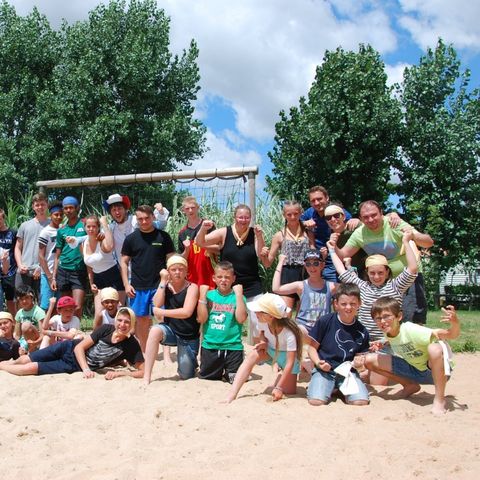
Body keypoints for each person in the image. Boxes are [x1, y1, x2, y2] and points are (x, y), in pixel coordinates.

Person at [336, 200, 434, 324]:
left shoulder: (395, 224)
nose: (370, 219)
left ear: (381, 213)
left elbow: (428, 242)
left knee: (412, 319)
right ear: (360, 218)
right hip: (382, 282)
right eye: (366, 217)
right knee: (385, 319)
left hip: (408, 277)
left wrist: (412, 235)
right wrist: (333, 245)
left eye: (374, 215)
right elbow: (343, 254)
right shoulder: (360, 233)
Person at [363, 297, 460, 415]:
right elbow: (397, 338)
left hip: (435, 371)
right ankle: (409, 385)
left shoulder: (412, 329)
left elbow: (450, 335)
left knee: (434, 349)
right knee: (369, 360)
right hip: (414, 369)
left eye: (387, 316)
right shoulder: (389, 332)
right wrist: (383, 342)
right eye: (378, 318)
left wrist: (455, 323)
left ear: (399, 316)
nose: (382, 321)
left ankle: (439, 400)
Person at [0, 307, 144, 380]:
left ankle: (3, 367)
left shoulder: (131, 345)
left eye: (127, 322)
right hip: (68, 347)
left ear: (132, 323)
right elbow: (79, 347)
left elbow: (142, 371)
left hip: (73, 365)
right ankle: (5, 365)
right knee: (26, 359)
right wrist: (86, 369)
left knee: (31, 368)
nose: (122, 325)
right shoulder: (107, 329)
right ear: (116, 320)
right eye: (120, 320)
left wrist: (120, 374)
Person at [328, 229, 418, 342]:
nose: (376, 277)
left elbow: (412, 268)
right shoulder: (361, 286)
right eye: (372, 273)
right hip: (365, 340)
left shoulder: (396, 286)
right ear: (367, 273)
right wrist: (332, 250)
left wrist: (406, 242)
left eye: (380, 273)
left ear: (387, 272)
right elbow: (341, 270)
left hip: (389, 341)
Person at [196, 204, 267, 343]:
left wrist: (259, 236)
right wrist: (203, 229)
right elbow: (199, 242)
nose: (243, 220)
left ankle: (258, 350)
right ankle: (220, 345)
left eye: (246, 217)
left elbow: (260, 254)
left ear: (250, 218)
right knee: (223, 319)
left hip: (252, 284)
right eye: (240, 217)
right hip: (227, 285)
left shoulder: (254, 233)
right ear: (234, 217)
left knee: (259, 322)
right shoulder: (224, 232)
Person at [224, 293, 303, 403]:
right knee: (252, 355)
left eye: (259, 311)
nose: (255, 313)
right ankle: (232, 394)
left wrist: (279, 387)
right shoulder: (263, 322)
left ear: (270, 316)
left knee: (289, 391)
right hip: (271, 351)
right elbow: (262, 333)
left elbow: (290, 362)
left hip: (287, 358)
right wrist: (263, 342)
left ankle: (281, 374)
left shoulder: (289, 333)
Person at [120, 205, 175, 352]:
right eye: (140, 219)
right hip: (138, 286)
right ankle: (144, 353)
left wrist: (171, 281)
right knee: (141, 320)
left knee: (163, 318)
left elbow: (171, 260)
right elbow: (124, 262)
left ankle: (166, 356)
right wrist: (126, 284)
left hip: (160, 285)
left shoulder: (163, 237)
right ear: (136, 220)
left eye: (147, 218)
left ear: (153, 217)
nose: (144, 221)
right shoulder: (131, 239)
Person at [307, 283, 370, 406]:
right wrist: (318, 363)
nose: (348, 307)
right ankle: (326, 386)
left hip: (348, 373)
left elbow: (360, 358)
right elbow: (311, 348)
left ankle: (339, 389)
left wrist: (359, 364)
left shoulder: (362, 331)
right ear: (336, 304)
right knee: (316, 401)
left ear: (359, 304)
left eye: (353, 303)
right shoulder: (325, 321)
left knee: (360, 401)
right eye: (344, 304)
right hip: (325, 371)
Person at [143, 255, 199, 383]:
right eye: (174, 269)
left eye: (181, 269)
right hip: (171, 330)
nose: (177, 272)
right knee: (154, 331)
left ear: (186, 271)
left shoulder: (192, 287)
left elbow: (186, 312)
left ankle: (192, 362)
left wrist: (163, 312)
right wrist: (162, 282)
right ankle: (147, 375)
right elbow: (156, 303)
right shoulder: (166, 286)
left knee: (185, 375)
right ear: (168, 271)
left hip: (188, 335)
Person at [197, 261, 247, 383]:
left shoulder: (239, 297)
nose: (223, 280)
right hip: (211, 346)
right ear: (214, 278)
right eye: (220, 277)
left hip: (233, 347)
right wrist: (202, 297)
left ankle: (231, 371)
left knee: (233, 379)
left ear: (233, 279)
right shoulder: (209, 296)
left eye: (227, 277)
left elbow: (241, 319)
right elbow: (202, 319)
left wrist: (239, 295)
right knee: (209, 378)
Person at [262, 200, 312, 309]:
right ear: (284, 215)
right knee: (285, 312)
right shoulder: (279, 235)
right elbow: (268, 263)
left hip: (305, 273)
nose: (293, 217)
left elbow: (314, 254)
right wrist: (263, 255)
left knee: (303, 313)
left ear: (301, 213)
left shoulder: (308, 233)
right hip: (287, 274)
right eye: (289, 214)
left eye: (296, 214)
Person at [273, 249, 334, 335]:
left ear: (322, 265)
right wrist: (280, 262)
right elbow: (276, 288)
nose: (312, 267)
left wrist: (348, 265)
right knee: (300, 330)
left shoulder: (331, 286)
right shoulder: (300, 286)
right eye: (308, 264)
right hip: (304, 329)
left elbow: (350, 287)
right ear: (305, 266)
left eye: (316, 263)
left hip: (323, 329)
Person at [301, 186, 355, 281]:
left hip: (341, 258)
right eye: (313, 201)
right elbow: (294, 223)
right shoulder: (310, 213)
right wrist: (305, 223)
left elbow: (351, 221)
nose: (316, 203)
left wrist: (355, 220)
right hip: (322, 261)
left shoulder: (335, 210)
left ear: (327, 198)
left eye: (319, 199)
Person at [103, 193, 169, 266]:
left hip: (143, 268)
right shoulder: (111, 228)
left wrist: (161, 212)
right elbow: (107, 247)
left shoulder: (136, 220)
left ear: (126, 209)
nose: (117, 212)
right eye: (114, 210)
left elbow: (160, 225)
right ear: (110, 213)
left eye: (119, 208)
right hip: (124, 270)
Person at [81, 215, 125, 320]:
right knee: (99, 314)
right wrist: (91, 283)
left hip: (113, 276)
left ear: (98, 227)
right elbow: (89, 265)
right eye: (88, 226)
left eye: (94, 226)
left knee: (119, 312)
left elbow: (110, 246)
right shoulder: (83, 243)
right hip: (98, 279)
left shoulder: (103, 239)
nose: (91, 229)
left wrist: (104, 224)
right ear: (85, 227)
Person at [51, 196, 87, 318]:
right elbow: (57, 255)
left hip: (79, 270)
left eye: (71, 208)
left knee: (77, 306)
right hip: (63, 271)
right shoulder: (62, 230)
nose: (68, 210)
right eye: (65, 208)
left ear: (77, 208)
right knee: (65, 307)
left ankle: (76, 329)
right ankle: (66, 330)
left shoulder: (85, 225)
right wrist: (54, 277)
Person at [14, 192, 49, 297]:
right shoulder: (25, 225)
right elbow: (17, 247)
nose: (40, 207)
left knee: (42, 303)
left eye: (42, 204)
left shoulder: (52, 226)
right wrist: (20, 265)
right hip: (24, 271)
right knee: (21, 301)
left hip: (43, 272)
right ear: (33, 207)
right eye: (37, 205)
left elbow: (54, 251)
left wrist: (41, 267)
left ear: (47, 205)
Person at [178, 196, 218, 289]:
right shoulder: (182, 233)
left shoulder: (208, 225)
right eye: (187, 208)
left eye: (193, 207)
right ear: (183, 210)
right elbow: (182, 258)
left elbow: (218, 248)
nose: (190, 210)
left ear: (198, 208)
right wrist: (187, 249)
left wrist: (206, 246)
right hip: (192, 276)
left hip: (210, 273)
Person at [323, 204, 367, 278]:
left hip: (365, 271)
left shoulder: (354, 226)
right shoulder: (330, 237)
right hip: (346, 274)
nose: (333, 219)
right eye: (328, 217)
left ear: (344, 217)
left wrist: (360, 222)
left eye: (336, 215)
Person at [38, 201, 63, 311]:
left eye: (61, 215)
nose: (59, 217)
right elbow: (41, 256)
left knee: (59, 306)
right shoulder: (45, 232)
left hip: (61, 273)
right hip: (48, 273)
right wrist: (49, 276)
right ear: (50, 215)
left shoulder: (63, 230)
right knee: (46, 305)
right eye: (56, 214)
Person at [14, 285, 45, 353]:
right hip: (24, 342)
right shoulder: (19, 313)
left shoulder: (39, 312)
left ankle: (31, 352)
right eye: (21, 299)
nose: (24, 301)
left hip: (37, 341)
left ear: (32, 297)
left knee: (26, 325)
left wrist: (35, 343)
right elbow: (17, 334)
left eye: (27, 297)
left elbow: (43, 333)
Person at [0, 207, 17, 316]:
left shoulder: (13, 232)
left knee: (11, 299)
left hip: (11, 272)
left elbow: (18, 250)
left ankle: (15, 321)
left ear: (3, 218)